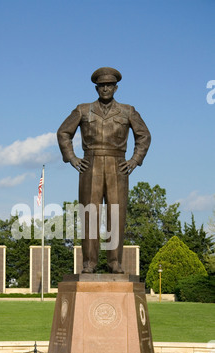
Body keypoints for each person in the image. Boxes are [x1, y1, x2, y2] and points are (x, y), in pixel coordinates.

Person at [57, 67, 151, 274]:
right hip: (90, 164)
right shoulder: (83, 110)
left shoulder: (128, 111)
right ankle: (89, 263)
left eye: (109, 85)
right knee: (90, 214)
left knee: (116, 215)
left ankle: (114, 262)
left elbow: (144, 136)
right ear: (96, 88)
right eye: (101, 86)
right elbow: (63, 132)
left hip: (118, 165)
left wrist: (135, 160)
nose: (105, 89)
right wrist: (71, 157)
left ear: (116, 87)